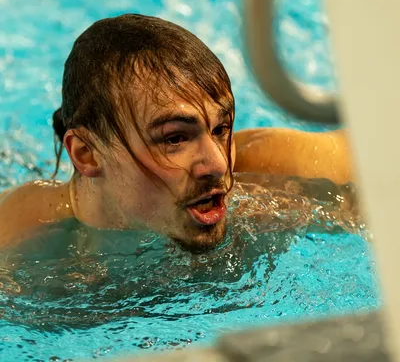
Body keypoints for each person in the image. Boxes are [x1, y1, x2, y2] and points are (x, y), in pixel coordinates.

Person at [0, 14, 354, 252]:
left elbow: (377, 145)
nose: (218, 165)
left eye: (220, 129)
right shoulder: (22, 240)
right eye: (175, 139)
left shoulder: (273, 175)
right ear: (87, 154)